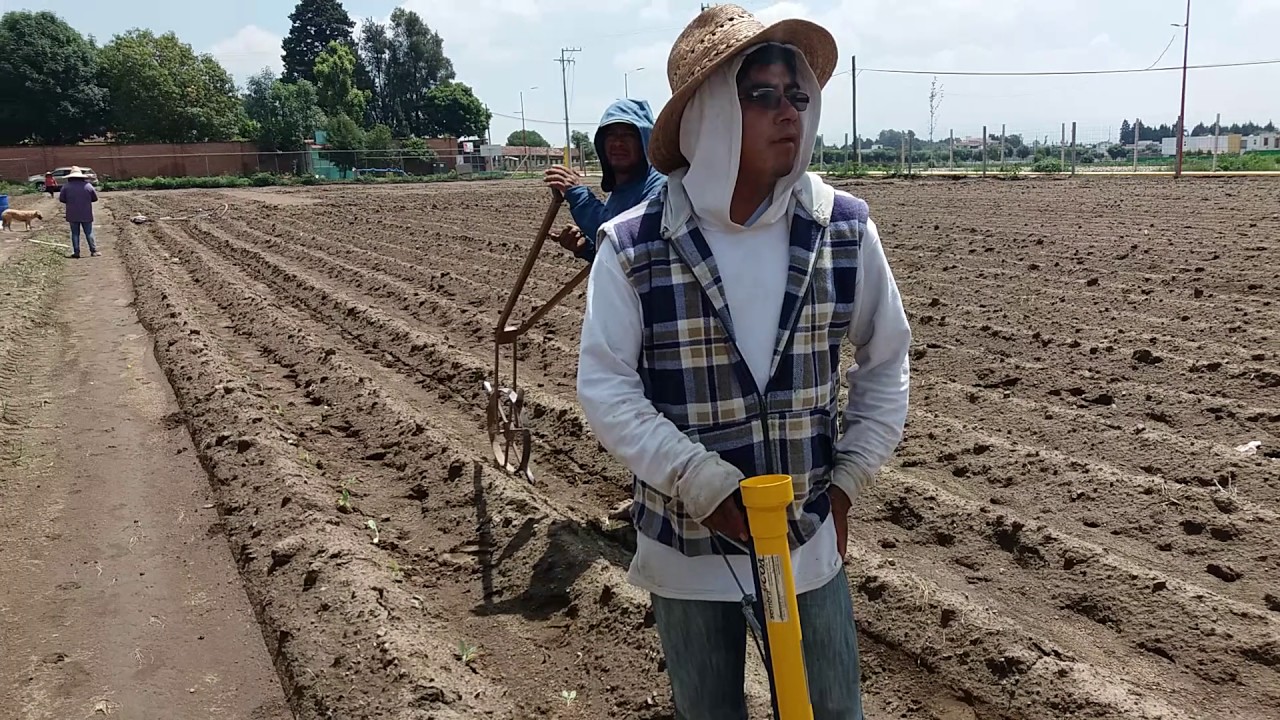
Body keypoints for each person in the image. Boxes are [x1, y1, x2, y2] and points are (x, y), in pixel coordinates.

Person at [575, 5, 912, 719]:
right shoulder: (632, 246)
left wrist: (848, 481)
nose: (787, 112)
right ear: (707, 115)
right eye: (760, 94)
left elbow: (886, 360)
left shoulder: (844, 229)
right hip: (685, 550)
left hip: (809, 540)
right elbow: (606, 386)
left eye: (797, 96)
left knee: (831, 710)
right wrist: (697, 479)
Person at [543, 98, 666, 262]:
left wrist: (580, 197)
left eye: (628, 135)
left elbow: (632, 248)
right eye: (610, 135)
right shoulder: (621, 192)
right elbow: (618, 264)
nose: (617, 143)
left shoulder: (659, 188)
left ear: (645, 141)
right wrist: (585, 248)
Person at [58, 167, 99, 258]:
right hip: (86, 213)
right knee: (89, 232)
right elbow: (95, 198)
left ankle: (76, 252)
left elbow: (62, 199)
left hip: (72, 213)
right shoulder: (88, 186)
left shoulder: (66, 187)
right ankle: (93, 251)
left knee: (75, 233)